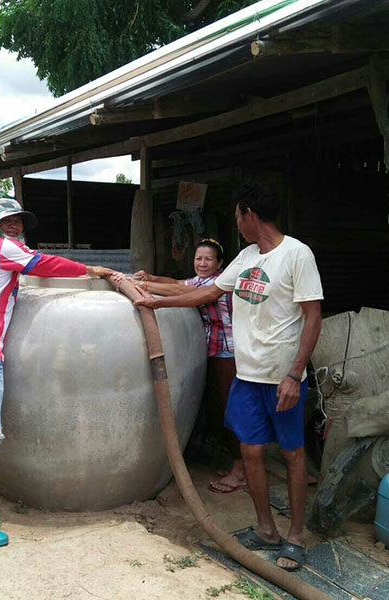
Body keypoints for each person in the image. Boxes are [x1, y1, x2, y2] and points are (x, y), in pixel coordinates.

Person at [135, 182, 323, 571]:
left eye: (238, 216)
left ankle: (297, 535)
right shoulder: (246, 257)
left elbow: (313, 317)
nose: (236, 224)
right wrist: (155, 300)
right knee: (251, 452)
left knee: (291, 455)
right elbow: (205, 294)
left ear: (250, 215)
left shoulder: (297, 254)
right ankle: (267, 529)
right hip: (248, 376)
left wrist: (293, 374)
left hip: (281, 378)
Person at [0, 198, 113, 549]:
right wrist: (92, 270)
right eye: (8, 220)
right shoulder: (4, 248)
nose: (15, 226)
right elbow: (43, 263)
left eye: (19, 222)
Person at [131, 239, 245, 494]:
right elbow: (177, 283)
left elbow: (182, 293)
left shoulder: (216, 283)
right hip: (214, 352)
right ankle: (238, 464)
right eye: (198, 259)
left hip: (229, 353)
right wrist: (150, 276)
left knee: (231, 410)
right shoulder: (199, 280)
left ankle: (241, 470)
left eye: (208, 259)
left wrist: (144, 285)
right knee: (219, 408)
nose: (202, 263)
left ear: (219, 264)